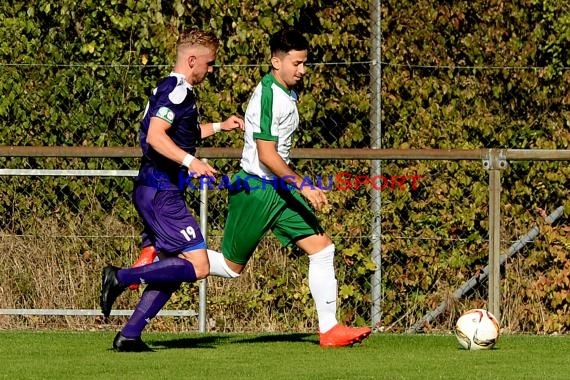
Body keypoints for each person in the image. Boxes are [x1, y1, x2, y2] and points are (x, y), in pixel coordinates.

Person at [208, 28, 371, 347]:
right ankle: (163, 260)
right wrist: (305, 186)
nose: (302, 69)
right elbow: (267, 155)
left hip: (278, 190)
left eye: (304, 62)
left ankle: (329, 330)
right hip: (256, 188)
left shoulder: (288, 90)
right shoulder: (268, 94)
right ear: (276, 61)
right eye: (296, 63)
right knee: (229, 268)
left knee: (323, 248)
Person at [99, 28, 244, 352]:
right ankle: (119, 277)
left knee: (173, 269)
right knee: (199, 265)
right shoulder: (176, 90)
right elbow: (155, 136)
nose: (210, 70)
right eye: (209, 64)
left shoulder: (177, 91)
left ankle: (130, 335)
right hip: (160, 190)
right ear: (192, 60)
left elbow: (183, 133)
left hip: (155, 189)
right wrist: (191, 162)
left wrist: (221, 126)